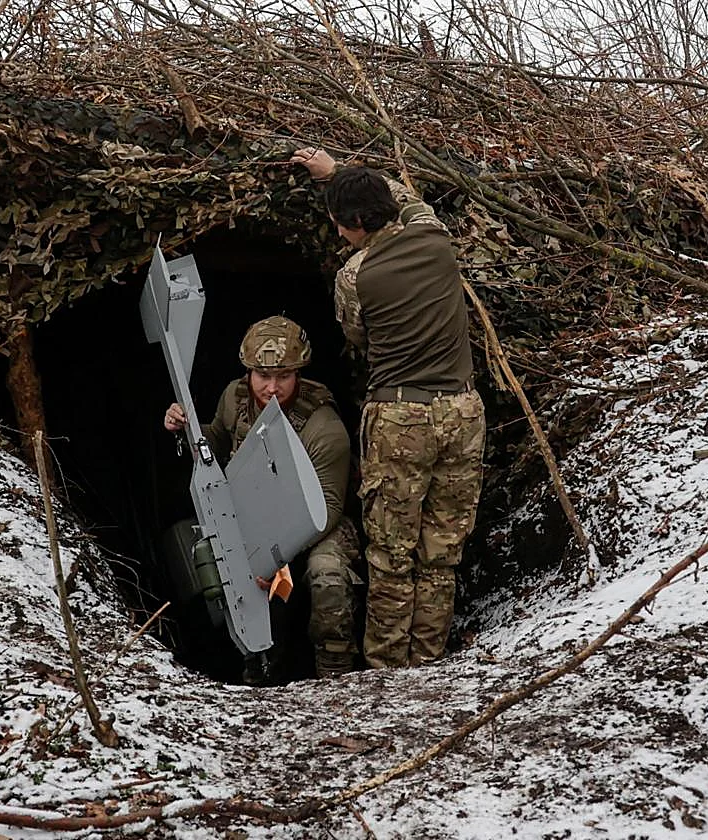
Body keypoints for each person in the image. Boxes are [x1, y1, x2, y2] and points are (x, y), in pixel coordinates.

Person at [290, 147, 486, 669]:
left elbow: (356, 336)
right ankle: (427, 662)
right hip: (464, 412)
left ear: (356, 223)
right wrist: (339, 174)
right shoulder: (436, 238)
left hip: (401, 417)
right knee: (442, 552)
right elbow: (409, 199)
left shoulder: (354, 276)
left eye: (339, 224)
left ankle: (386, 672)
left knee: (391, 556)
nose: (337, 234)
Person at [163, 315, 360, 678]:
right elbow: (216, 441)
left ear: (298, 374)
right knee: (211, 568)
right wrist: (186, 427)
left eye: (283, 376)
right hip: (255, 515)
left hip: (317, 526)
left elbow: (328, 509)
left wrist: (273, 557)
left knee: (326, 573)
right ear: (249, 373)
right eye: (262, 376)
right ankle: (257, 669)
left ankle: (335, 675)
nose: (272, 387)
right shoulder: (234, 399)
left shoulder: (323, 426)